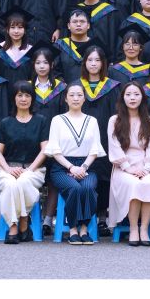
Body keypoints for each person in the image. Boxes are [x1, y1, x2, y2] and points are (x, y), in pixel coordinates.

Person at [45, 82, 105, 244]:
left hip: (87, 166)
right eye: (71, 95)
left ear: (84, 99)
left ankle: (84, 229)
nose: (76, 98)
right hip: (62, 167)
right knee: (75, 188)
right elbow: (55, 150)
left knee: (88, 188)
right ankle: (72, 229)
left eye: (79, 95)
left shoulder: (92, 121)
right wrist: (71, 167)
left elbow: (95, 150)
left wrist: (83, 167)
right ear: (66, 98)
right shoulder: (57, 120)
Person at [0, 83, 48, 243]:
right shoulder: (5, 123)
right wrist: (8, 169)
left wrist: (29, 169)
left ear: (32, 99)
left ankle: (21, 222)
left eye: (27, 95)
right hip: (8, 168)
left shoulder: (41, 121)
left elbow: (45, 150)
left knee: (23, 182)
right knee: (11, 185)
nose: (23, 99)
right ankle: (15, 225)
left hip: (34, 169)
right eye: (19, 95)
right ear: (14, 98)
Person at [106, 82, 150, 245]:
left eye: (136, 94)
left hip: (146, 165)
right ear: (122, 98)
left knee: (149, 183)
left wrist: (146, 168)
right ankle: (133, 228)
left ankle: (144, 228)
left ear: (142, 98)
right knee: (133, 184)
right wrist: (128, 168)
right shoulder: (114, 120)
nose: (132, 98)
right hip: (123, 166)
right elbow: (114, 147)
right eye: (128, 94)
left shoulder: (149, 121)